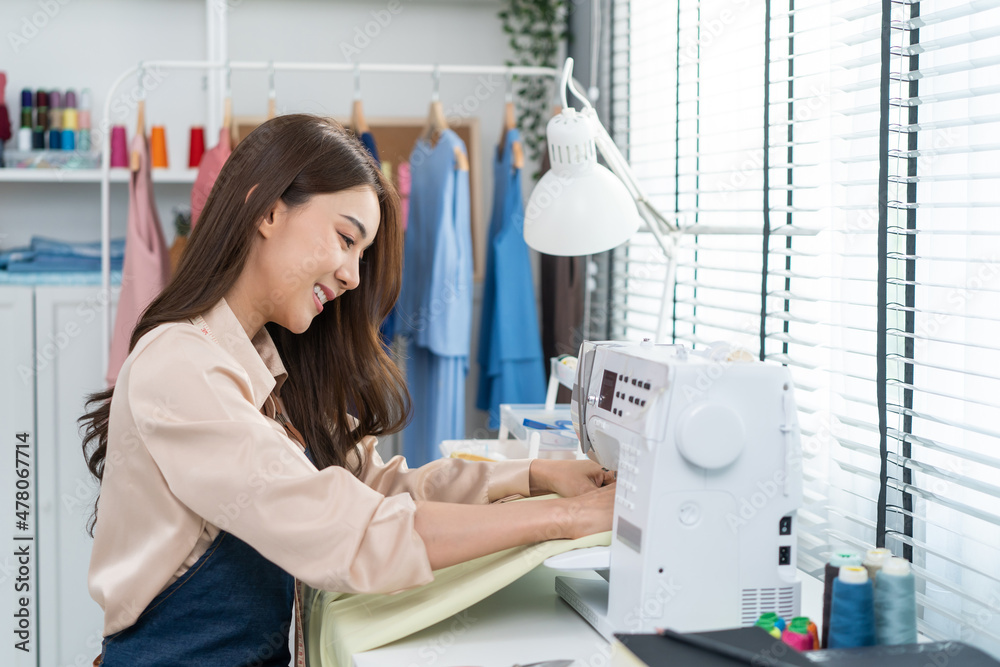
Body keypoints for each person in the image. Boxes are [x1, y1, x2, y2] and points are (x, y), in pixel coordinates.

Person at [79, 114, 615, 666]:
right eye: (345, 239)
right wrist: (568, 519)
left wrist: (532, 477)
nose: (354, 277)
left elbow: (376, 485)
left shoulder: (265, 364)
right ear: (267, 210)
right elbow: (343, 529)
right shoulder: (180, 364)